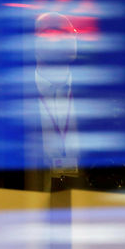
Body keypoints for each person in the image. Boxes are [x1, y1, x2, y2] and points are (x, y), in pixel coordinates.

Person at [26, 12, 83, 191]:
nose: (66, 37)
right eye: (53, 32)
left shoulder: (100, 101)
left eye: (71, 32)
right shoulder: (11, 102)